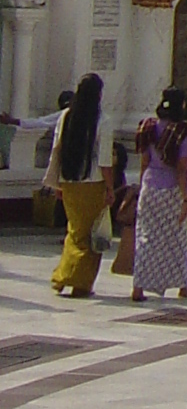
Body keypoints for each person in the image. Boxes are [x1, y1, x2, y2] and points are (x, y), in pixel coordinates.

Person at [131, 84, 187, 301]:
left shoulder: (148, 127)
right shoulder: (183, 131)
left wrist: (141, 185)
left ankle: (138, 287)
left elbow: (144, 161)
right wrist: (186, 198)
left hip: (149, 186)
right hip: (171, 189)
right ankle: (182, 284)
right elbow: (181, 167)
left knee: (145, 236)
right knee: (176, 237)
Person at [46, 71, 112, 296]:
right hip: (93, 182)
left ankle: (64, 276)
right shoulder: (103, 121)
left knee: (75, 231)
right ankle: (79, 282)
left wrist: (56, 183)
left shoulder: (66, 116)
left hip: (70, 180)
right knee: (89, 235)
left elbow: (57, 150)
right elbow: (104, 161)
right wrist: (111, 188)